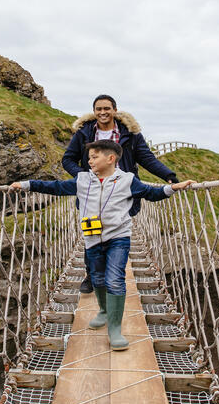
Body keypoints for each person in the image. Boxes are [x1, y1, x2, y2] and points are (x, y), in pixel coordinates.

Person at [12, 140, 194, 351]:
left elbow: (150, 194)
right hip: (91, 238)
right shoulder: (82, 180)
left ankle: (115, 330)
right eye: (89, 157)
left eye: (94, 157)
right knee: (97, 278)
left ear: (110, 158)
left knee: (115, 279)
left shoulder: (127, 180)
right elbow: (56, 187)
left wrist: (172, 188)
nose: (89, 161)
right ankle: (105, 311)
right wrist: (26, 185)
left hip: (119, 237)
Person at [62, 94, 180, 293]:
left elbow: (147, 158)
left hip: (121, 191)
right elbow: (68, 160)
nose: (102, 112)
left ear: (115, 110)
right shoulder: (84, 134)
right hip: (92, 192)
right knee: (92, 232)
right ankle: (91, 276)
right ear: (94, 111)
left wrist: (168, 176)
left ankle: (112, 275)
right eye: (98, 109)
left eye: (107, 108)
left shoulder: (130, 134)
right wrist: (83, 176)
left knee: (115, 233)